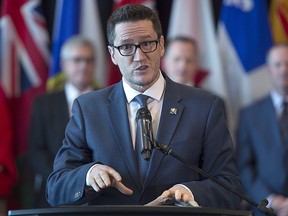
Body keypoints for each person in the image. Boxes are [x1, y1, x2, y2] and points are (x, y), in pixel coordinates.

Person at [47, 4, 243, 209]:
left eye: (147, 43)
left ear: (161, 45)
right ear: (112, 54)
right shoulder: (88, 109)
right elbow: (56, 187)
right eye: (126, 47)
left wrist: (190, 192)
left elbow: (230, 186)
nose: (139, 57)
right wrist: (88, 175)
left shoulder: (205, 107)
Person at [28, 35, 96, 207]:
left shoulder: (108, 101)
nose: (83, 66)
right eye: (77, 60)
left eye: (89, 60)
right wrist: (65, 181)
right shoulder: (44, 104)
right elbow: (36, 151)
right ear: (64, 64)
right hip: (53, 195)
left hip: (97, 195)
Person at [236, 43, 288, 216]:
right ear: (269, 69)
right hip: (264, 208)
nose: (283, 70)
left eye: (287, 63)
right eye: (278, 64)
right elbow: (244, 165)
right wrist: (271, 199)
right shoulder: (249, 115)